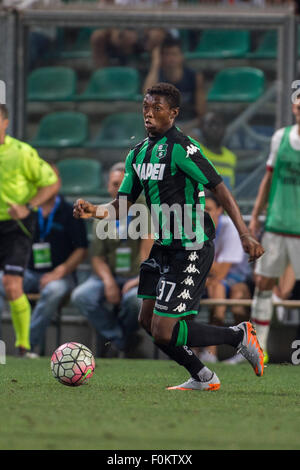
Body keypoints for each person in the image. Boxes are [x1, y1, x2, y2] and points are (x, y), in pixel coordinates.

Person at [73, 83, 264, 391]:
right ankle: (203, 376)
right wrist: (94, 210)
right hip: (163, 246)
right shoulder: (137, 154)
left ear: (174, 113)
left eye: (157, 109)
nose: (149, 114)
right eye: (146, 108)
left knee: (165, 330)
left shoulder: (182, 147)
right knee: (147, 321)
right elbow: (123, 204)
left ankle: (238, 335)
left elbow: (220, 187)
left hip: (191, 246)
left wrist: (244, 233)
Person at [0, 164, 88, 356]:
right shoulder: (26, 210)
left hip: (60, 276)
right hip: (27, 272)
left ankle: (27, 346)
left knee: (53, 291)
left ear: (58, 184)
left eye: (51, 179)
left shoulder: (69, 211)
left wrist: (60, 271)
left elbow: (81, 249)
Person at [71, 163, 153, 357]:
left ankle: (120, 341)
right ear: (108, 187)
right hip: (111, 275)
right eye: (115, 184)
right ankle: (123, 340)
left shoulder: (143, 206)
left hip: (137, 276)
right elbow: (98, 257)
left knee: (134, 300)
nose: (119, 189)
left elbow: (148, 247)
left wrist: (139, 279)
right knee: (81, 296)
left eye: (124, 184)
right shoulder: (103, 212)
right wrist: (108, 282)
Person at [0, 104, 58, 355]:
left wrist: (27, 207)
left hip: (16, 225)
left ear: (5, 122)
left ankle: (23, 346)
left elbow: (51, 184)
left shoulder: (22, 153)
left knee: (12, 285)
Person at [249, 101, 300, 364]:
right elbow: (268, 179)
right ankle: (259, 349)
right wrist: (256, 214)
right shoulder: (280, 137)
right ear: (294, 107)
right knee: (264, 284)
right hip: (277, 225)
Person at [198, 191, 252, 364]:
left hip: (236, 278)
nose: (203, 213)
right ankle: (207, 351)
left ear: (220, 210)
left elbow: (221, 272)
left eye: (208, 209)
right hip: (207, 278)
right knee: (215, 287)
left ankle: (213, 351)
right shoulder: (194, 227)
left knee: (221, 289)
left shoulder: (231, 228)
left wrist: (199, 256)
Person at [143, 37, 206, 124]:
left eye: (174, 54)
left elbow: (201, 112)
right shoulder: (157, 77)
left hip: (190, 123)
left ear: (181, 56)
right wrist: (155, 64)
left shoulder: (194, 77)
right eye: (167, 54)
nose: (170, 58)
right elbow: (147, 95)